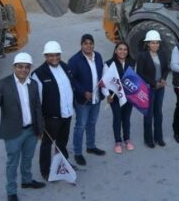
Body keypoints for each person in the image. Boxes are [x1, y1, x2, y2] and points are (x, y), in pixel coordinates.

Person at [0, 53, 45, 201]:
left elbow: (37, 107)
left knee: (28, 158)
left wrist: (39, 129)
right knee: (12, 163)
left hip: (31, 130)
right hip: (12, 132)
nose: (23, 70)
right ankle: (11, 191)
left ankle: (27, 181)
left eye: (27, 67)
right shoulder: (3, 84)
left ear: (30, 68)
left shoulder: (33, 84)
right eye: (20, 66)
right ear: (14, 67)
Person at [32, 41, 74, 181]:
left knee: (62, 142)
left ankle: (63, 164)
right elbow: (36, 102)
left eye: (57, 55)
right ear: (45, 56)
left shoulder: (65, 67)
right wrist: (39, 121)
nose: (54, 58)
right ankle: (45, 170)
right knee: (46, 144)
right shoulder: (38, 74)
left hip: (67, 114)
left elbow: (70, 88)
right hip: (51, 118)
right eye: (50, 56)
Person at [69, 34, 105, 166]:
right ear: (81, 45)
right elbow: (72, 79)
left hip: (96, 98)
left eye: (91, 43)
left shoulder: (98, 56)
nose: (88, 45)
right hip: (82, 100)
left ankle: (90, 146)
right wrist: (83, 92)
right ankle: (78, 153)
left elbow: (102, 74)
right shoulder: (74, 60)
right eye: (85, 43)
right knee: (80, 126)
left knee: (92, 123)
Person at [136, 30, 169, 148]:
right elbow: (139, 73)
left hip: (160, 88)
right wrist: (154, 83)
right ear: (148, 44)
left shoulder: (163, 54)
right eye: (152, 43)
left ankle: (159, 137)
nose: (155, 45)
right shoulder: (142, 56)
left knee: (158, 113)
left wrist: (164, 79)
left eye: (157, 43)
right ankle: (148, 139)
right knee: (148, 114)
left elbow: (166, 68)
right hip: (149, 89)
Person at [102, 42, 136, 153]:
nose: (123, 51)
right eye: (120, 49)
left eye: (125, 49)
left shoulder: (132, 62)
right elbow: (104, 83)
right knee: (117, 118)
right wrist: (107, 95)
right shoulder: (108, 64)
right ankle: (118, 141)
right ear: (115, 51)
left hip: (128, 97)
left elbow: (135, 80)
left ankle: (127, 139)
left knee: (126, 118)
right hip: (115, 97)